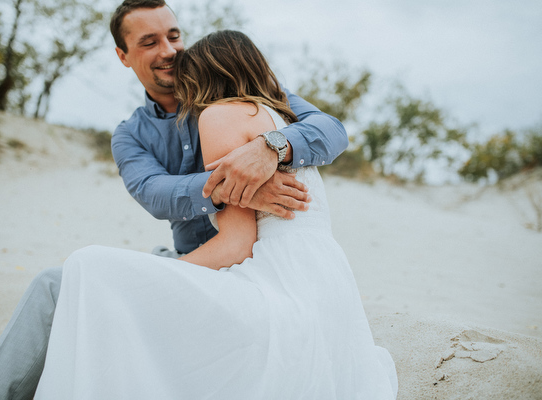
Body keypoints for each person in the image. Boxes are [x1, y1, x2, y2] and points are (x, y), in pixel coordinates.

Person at [0, 1, 348, 399]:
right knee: (56, 285)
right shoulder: (129, 135)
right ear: (123, 56)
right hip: (188, 258)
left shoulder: (234, 91)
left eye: (174, 35)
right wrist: (231, 184)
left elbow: (331, 130)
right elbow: (155, 194)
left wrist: (270, 149)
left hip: (253, 265)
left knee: (84, 281)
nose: (168, 50)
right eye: (149, 41)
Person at [33, 30, 398, 399]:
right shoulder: (280, 112)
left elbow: (237, 245)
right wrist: (223, 187)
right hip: (327, 281)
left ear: (196, 80)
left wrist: (164, 275)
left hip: (276, 280)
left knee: (87, 263)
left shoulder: (217, 116)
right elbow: (154, 192)